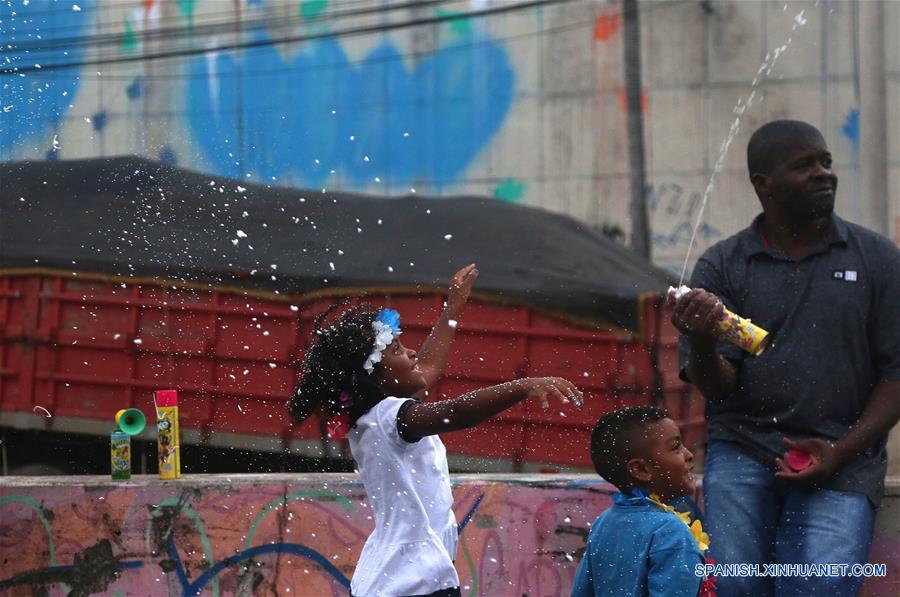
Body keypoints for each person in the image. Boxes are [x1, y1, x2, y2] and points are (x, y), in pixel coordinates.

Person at [671, 119, 900, 596]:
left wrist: (841, 451)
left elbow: (896, 377)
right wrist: (706, 339)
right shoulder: (725, 264)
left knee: (820, 588)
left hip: (844, 455)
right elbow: (717, 387)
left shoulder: (876, 258)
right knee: (737, 587)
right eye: (804, 166)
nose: (824, 173)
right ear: (763, 184)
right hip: (744, 449)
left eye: (826, 162)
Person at [289, 264, 584, 597]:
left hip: (398, 575)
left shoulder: (373, 419)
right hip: (412, 580)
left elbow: (425, 372)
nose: (412, 352)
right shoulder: (393, 419)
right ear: (374, 378)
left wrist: (452, 309)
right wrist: (523, 386)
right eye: (397, 350)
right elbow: (455, 413)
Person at [572, 406, 710, 597]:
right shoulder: (670, 531)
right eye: (676, 447)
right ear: (641, 470)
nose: (689, 455)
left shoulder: (604, 522)